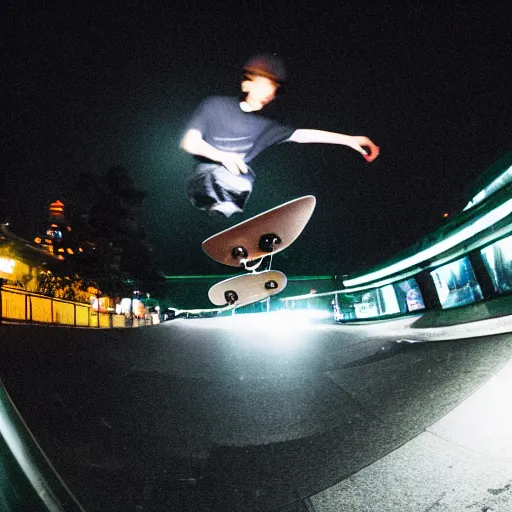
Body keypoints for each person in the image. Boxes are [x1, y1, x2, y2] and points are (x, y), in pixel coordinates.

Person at [180, 53, 380, 218]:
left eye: (274, 87)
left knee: (245, 176)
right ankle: (219, 208)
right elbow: (189, 142)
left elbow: (303, 135)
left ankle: (227, 217)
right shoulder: (215, 106)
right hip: (202, 179)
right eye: (264, 83)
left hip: (234, 189)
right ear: (246, 85)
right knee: (234, 175)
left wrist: (349, 140)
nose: (270, 91)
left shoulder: (267, 126)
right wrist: (223, 157)